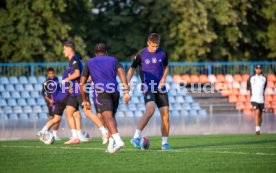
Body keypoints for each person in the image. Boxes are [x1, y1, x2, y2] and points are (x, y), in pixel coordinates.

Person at [80, 43, 131, 154]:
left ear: (95, 53)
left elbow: (82, 82)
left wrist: (85, 100)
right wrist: (126, 91)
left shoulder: (89, 62)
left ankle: (118, 141)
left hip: (101, 91)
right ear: (106, 52)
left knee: (107, 117)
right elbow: (122, 73)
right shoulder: (113, 60)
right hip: (115, 91)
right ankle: (111, 144)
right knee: (111, 117)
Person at [127, 33, 173, 150]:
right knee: (150, 110)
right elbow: (132, 69)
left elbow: (166, 67)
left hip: (160, 87)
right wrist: (126, 82)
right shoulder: (141, 54)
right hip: (147, 87)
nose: (155, 48)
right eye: (153, 46)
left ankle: (164, 144)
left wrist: (163, 79)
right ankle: (136, 137)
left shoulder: (163, 53)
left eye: (156, 46)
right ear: (148, 43)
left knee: (166, 115)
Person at [62, 41, 108, 144]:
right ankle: (75, 137)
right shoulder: (72, 61)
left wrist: (66, 80)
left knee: (87, 112)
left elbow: (77, 74)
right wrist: (70, 85)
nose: (63, 51)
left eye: (65, 49)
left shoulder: (74, 59)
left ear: (70, 49)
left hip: (80, 90)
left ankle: (104, 131)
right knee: (69, 112)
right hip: (74, 90)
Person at [41, 67, 61, 140]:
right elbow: (43, 93)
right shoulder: (46, 82)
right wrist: (49, 100)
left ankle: (54, 134)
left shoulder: (57, 79)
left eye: (52, 73)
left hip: (57, 101)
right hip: (51, 103)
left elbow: (59, 89)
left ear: (54, 73)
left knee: (58, 118)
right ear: (48, 74)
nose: (51, 74)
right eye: (50, 73)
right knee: (52, 118)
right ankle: (45, 133)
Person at [247, 65, 267, 136]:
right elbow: (248, 87)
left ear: (261, 69)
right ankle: (257, 131)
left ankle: (259, 129)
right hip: (254, 99)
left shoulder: (264, 78)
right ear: (255, 69)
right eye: (257, 69)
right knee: (257, 112)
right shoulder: (251, 78)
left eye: (260, 69)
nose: (258, 70)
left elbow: (264, 88)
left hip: (261, 99)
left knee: (260, 115)